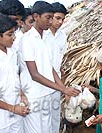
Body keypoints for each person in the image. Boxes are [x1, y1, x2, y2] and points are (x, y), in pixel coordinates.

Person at [20, 1, 80, 133]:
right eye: (49, 17)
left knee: (49, 128)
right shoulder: (27, 40)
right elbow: (34, 75)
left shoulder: (45, 39)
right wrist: (63, 89)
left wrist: (63, 88)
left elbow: (51, 68)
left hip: (47, 92)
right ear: (36, 16)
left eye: (53, 17)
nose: (51, 21)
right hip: (34, 94)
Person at [0, 14, 30, 133]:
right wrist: (13, 108)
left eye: (14, 33)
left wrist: (22, 94)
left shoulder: (12, 53)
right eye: (10, 34)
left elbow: (14, 77)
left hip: (15, 115)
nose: (14, 37)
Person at [46, 2, 69, 132]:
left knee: (55, 117)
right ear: (50, 17)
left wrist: (63, 85)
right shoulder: (42, 36)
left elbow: (61, 63)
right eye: (58, 18)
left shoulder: (63, 36)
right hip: (42, 82)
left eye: (63, 19)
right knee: (43, 118)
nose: (60, 22)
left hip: (57, 83)